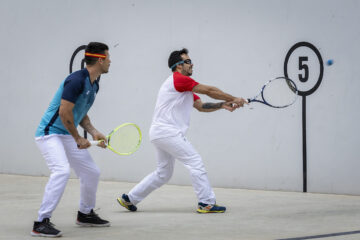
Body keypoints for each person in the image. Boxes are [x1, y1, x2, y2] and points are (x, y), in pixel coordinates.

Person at [117, 48, 247, 214]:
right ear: (178, 66)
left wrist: (222, 105)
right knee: (195, 161)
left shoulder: (184, 88)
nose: (191, 64)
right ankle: (206, 203)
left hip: (159, 133)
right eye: (187, 61)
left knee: (163, 173)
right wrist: (233, 98)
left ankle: (130, 199)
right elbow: (210, 90)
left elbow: (201, 106)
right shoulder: (178, 80)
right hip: (167, 132)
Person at [31, 42, 111, 237]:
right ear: (100, 60)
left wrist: (93, 132)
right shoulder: (76, 80)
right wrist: (78, 138)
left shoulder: (95, 83)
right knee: (61, 171)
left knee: (91, 171)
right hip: (49, 133)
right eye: (108, 58)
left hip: (66, 133)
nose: (110, 62)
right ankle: (41, 222)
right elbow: (64, 111)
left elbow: (80, 112)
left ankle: (85, 214)